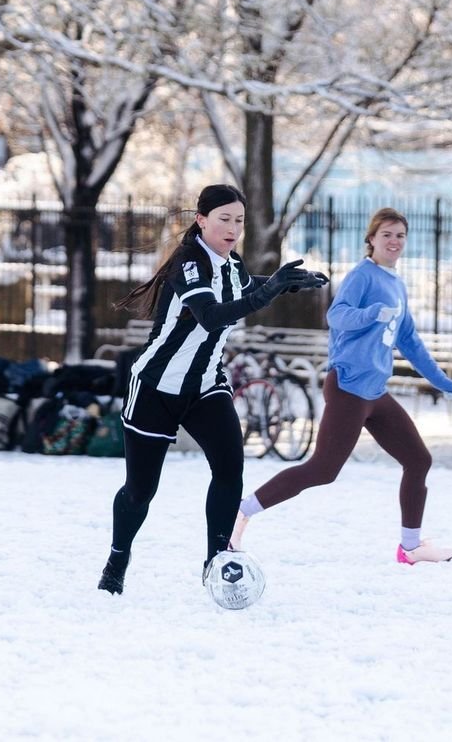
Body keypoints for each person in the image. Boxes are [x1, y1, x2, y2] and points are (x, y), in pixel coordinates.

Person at [97, 183, 327, 595]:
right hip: (156, 388)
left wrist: (284, 281)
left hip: (205, 386)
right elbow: (211, 314)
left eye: (239, 221)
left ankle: (216, 563)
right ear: (201, 220)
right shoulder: (187, 263)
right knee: (140, 491)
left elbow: (241, 284)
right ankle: (117, 558)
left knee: (229, 468)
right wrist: (269, 291)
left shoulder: (231, 264)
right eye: (224, 219)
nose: (233, 228)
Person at [231, 207, 452, 564]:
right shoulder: (363, 276)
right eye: (387, 234)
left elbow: (410, 341)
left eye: (400, 235)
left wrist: (442, 381)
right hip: (348, 386)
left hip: (375, 392)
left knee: (418, 460)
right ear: (371, 239)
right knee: (323, 470)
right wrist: (370, 314)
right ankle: (242, 510)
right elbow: (336, 316)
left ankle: (411, 547)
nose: (394, 241)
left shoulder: (396, 283)